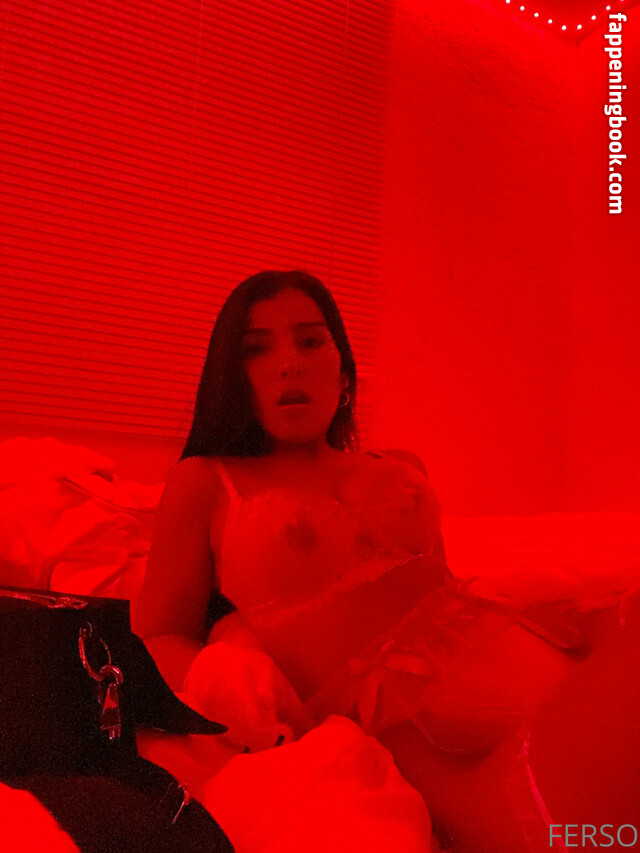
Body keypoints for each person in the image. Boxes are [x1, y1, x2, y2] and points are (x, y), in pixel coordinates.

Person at [135, 271, 640, 853]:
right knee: (575, 828)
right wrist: (222, 675)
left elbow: (444, 588)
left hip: (527, 649)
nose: (289, 364)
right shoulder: (206, 481)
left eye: (310, 341)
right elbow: (160, 630)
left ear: (343, 371)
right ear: (232, 376)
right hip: (427, 737)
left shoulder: (401, 465)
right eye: (257, 349)